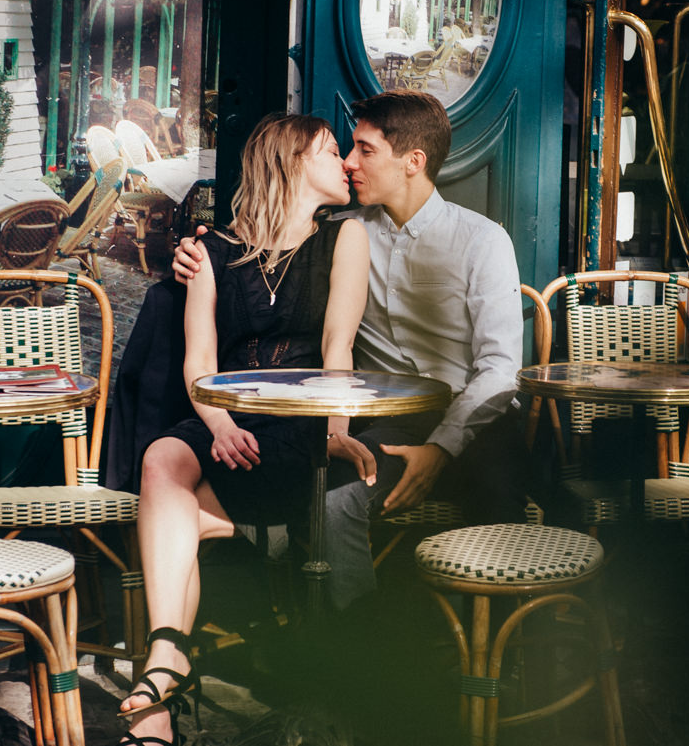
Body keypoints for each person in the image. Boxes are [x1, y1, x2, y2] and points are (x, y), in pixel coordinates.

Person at [173, 90, 525, 610]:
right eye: (347, 149)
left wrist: (441, 449)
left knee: (502, 504)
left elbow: (499, 370)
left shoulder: (482, 240)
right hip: (390, 422)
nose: (350, 162)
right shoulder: (343, 235)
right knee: (332, 499)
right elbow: (259, 248)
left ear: (413, 161)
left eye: (365, 150)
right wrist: (192, 250)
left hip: (477, 420)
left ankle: (508, 641)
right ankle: (350, 638)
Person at [121, 113, 370, 746]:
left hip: (299, 422)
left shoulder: (344, 237)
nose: (345, 163)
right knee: (162, 458)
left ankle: (159, 690)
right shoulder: (211, 251)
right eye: (331, 151)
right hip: (226, 419)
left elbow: (338, 348)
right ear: (292, 162)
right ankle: (166, 659)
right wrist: (218, 422)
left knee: (176, 515)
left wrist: (335, 428)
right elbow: (200, 362)